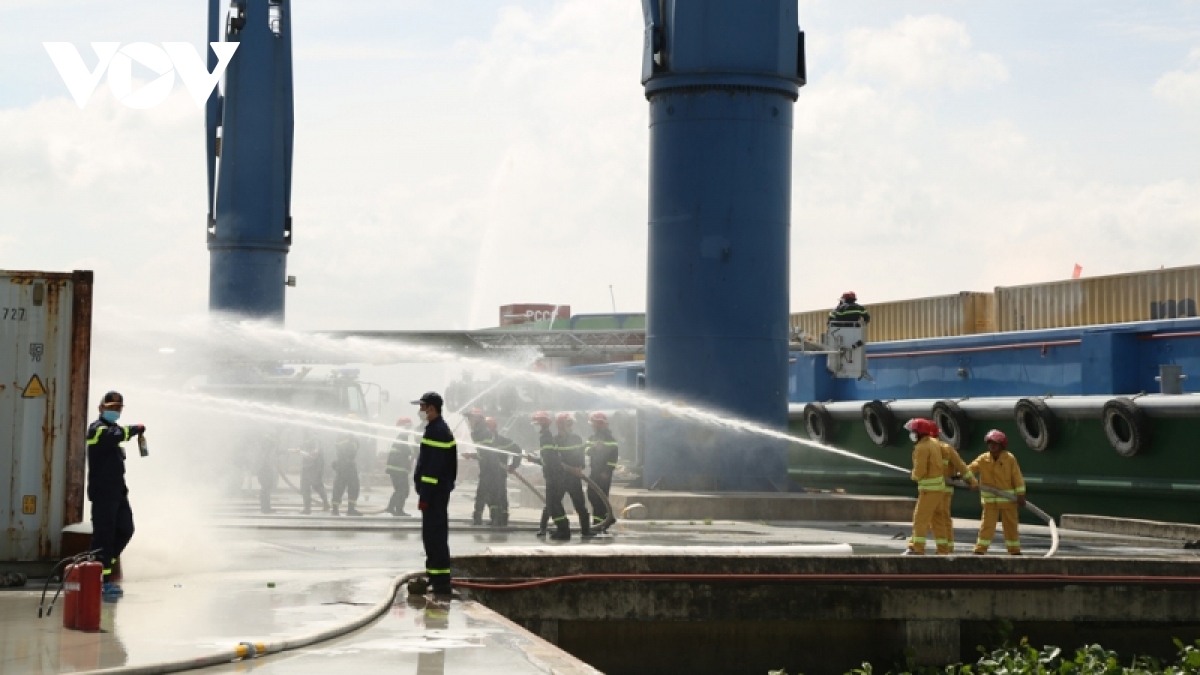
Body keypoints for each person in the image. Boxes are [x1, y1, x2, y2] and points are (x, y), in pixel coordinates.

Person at [85, 391, 145, 599]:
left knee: (126, 529)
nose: (114, 411)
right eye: (110, 408)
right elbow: (114, 436)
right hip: (103, 494)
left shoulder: (114, 429)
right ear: (101, 408)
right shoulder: (97, 430)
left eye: (118, 408)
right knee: (103, 537)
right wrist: (135, 429)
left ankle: (105, 568)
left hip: (118, 493)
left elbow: (118, 435)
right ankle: (98, 581)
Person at [412, 391, 457, 597]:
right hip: (437, 493)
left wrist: (425, 496)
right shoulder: (435, 429)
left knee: (435, 537)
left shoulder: (437, 431)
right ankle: (435, 577)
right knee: (432, 536)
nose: (420, 411)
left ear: (431, 408)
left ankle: (440, 583)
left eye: (422, 407)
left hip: (434, 494)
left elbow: (432, 469)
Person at [969, 430, 1026, 555]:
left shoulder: (1009, 459)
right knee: (987, 526)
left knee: (1010, 526)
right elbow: (970, 469)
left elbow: (1017, 476)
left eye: (995, 443)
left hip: (1008, 501)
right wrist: (967, 479)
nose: (992, 446)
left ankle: (1014, 550)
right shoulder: (983, 459)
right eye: (990, 443)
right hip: (990, 502)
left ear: (1001, 445)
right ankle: (980, 549)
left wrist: (1020, 495)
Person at [902, 418, 945, 555]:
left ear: (919, 433)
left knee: (920, 519)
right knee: (938, 520)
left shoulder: (921, 448)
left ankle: (917, 548)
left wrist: (913, 475)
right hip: (939, 489)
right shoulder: (934, 443)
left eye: (913, 432)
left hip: (929, 491)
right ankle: (943, 550)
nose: (911, 434)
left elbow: (920, 471)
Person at [547, 412, 591, 541]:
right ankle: (553, 529)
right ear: (560, 425)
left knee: (580, 505)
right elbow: (554, 459)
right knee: (553, 504)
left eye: (571, 423)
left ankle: (586, 531)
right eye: (568, 423)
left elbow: (580, 455)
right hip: (560, 477)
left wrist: (580, 467)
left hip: (574, 477)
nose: (570, 426)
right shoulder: (554, 441)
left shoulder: (576, 438)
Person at [932, 436, 977, 554]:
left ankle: (943, 548)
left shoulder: (929, 449)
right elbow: (961, 467)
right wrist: (971, 481)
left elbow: (962, 468)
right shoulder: (946, 449)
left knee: (937, 518)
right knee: (943, 517)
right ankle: (947, 547)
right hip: (942, 489)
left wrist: (971, 482)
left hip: (936, 490)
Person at [465, 408, 500, 526]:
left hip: (489, 468)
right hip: (488, 467)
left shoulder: (483, 432)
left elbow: (486, 452)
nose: (469, 421)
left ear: (478, 419)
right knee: (490, 493)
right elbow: (483, 452)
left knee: (482, 493)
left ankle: (478, 518)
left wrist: (475, 456)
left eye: (471, 418)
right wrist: (472, 455)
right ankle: (494, 518)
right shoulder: (478, 432)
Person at [485, 416, 522, 527]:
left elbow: (517, 451)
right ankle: (494, 518)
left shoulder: (502, 441)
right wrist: (471, 456)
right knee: (490, 497)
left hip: (499, 473)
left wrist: (513, 466)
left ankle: (503, 519)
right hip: (488, 473)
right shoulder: (486, 441)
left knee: (500, 496)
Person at [584, 412, 619, 529]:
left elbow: (613, 457)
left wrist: (607, 471)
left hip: (604, 473)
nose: (592, 427)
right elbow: (586, 450)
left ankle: (599, 523)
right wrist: (593, 449)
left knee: (601, 498)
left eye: (594, 424)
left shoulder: (610, 439)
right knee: (591, 495)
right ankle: (606, 518)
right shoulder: (592, 438)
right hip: (594, 471)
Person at [330, 415, 362, 517]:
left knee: (352, 486)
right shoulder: (345, 435)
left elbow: (354, 449)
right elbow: (346, 449)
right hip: (345, 463)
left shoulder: (350, 435)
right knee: (342, 486)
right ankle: (337, 509)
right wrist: (352, 441)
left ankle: (348, 509)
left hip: (346, 463)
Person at [531, 411, 555, 538]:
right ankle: (546, 527)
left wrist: (535, 460)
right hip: (551, 474)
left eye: (536, 424)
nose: (534, 426)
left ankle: (544, 528)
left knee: (552, 502)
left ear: (543, 424)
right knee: (552, 502)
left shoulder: (546, 438)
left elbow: (548, 459)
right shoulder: (545, 437)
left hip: (552, 475)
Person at [386, 417, 416, 517]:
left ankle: (391, 507)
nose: (410, 429)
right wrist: (417, 448)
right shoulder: (402, 438)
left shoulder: (402, 438)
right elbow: (408, 451)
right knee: (403, 490)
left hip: (397, 469)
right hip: (398, 470)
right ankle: (398, 510)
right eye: (408, 426)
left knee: (400, 490)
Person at [297, 429, 329, 514]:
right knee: (317, 485)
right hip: (316, 467)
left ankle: (307, 508)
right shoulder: (314, 438)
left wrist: (302, 452)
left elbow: (313, 454)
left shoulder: (313, 439)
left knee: (305, 486)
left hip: (311, 466)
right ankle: (326, 504)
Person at [253, 429, 280, 514]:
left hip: (265, 470)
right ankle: (265, 508)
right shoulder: (266, 449)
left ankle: (266, 508)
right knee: (266, 489)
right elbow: (267, 458)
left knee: (266, 489)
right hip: (264, 470)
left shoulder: (265, 449)